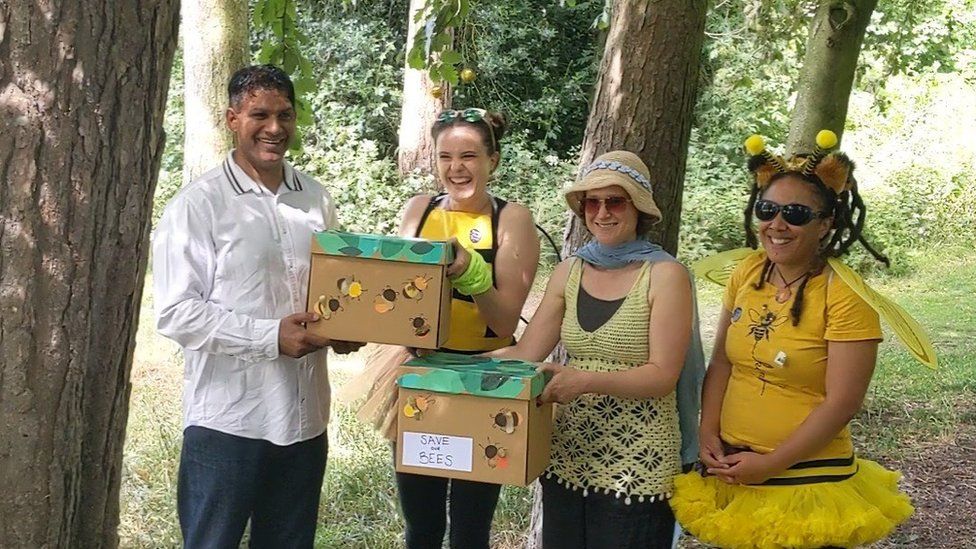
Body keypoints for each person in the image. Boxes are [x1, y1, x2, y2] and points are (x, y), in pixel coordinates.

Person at [669, 132, 914, 548]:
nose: (777, 225)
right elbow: (724, 363)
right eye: (768, 209)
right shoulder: (747, 273)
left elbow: (842, 403)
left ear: (826, 225)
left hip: (806, 484)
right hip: (736, 472)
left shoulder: (846, 296)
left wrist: (771, 463)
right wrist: (707, 432)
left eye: (796, 214)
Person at [153, 64, 363, 548]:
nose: (274, 128)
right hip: (228, 420)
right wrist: (270, 336)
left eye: (285, 115)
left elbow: (337, 287)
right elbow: (176, 311)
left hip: (304, 417)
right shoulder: (199, 205)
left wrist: (346, 325)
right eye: (259, 114)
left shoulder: (315, 199)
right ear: (232, 118)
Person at [491, 151, 699, 549]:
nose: (602, 212)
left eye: (614, 201)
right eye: (592, 201)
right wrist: (456, 364)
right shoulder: (570, 270)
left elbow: (662, 375)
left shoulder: (665, 275)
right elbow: (526, 352)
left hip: (637, 459)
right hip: (569, 451)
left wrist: (585, 381)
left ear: (638, 208)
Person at [388, 108, 540, 549]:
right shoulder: (418, 210)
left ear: (493, 160)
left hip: (483, 379)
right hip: (422, 377)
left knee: (471, 528)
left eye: (469, 156)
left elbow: (505, 322)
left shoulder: (511, 219)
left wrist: (469, 273)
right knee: (421, 524)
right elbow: (400, 301)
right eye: (445, 156)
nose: (457, 168)